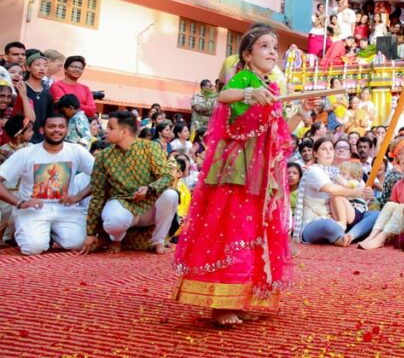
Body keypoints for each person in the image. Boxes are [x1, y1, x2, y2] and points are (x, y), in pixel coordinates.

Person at [172, 26, 304, 327]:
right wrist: (249, 93)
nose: (272, 52)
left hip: (259, 169)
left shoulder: (268, 85)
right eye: (264, 46)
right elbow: (224, 95)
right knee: (232, 227)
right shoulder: (245, 78)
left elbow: (282, 132)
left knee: (253, 229)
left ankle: (242, 298)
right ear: (247, 54)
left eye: (275, 47)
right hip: (236, 168)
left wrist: (304, 113)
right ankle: (219, 303)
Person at [79, 111, 177, 254]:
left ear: (124, 132)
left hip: (149, 205)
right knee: (113, 221)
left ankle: (158, 241)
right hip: (122, 204)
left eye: (111, 128)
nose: (105, 131)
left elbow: (167, 176)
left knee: (171, 195)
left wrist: (149, 189)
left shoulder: (150, 147)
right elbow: (97, 195)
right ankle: (116, 240)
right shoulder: (104, 157)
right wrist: (91, 233)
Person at [0, 111, 94, 255]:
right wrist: (19, 203)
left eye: (61, 127)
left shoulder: (76, 151)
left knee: (78, 244)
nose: (57, 130)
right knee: (33, 249)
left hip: (66, 208)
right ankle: (37, 233)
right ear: (42, 130)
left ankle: (50, 232)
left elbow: (101, 176)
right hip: (33, 209)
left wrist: (79, 196)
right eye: (51, 126)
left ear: (67, 130)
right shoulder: (26, 153)